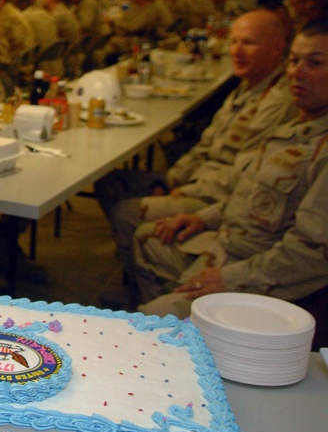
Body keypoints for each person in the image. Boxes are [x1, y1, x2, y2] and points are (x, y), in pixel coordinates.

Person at [95, 10, 295, 308]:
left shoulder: (278, 102)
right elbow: (206, 146)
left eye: (248, 43)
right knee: (111, 182)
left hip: (212, 196)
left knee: (126, 212)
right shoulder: (247, 88)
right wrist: (171, 180)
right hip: (197, 183)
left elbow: (240, 176)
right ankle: (135, 278)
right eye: (234, 42)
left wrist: (183, 192)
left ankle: (144, 295)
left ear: (277, 48)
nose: (236, 51)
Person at [134, 19, 328, 319]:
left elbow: (311, 254)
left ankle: (175, 328)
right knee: (150, 238)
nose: (296, 72)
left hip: (259, 274)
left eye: (315, 63)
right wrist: (201, 217)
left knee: (151, 322)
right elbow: (252, 192)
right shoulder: (298, 128)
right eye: (294, 61)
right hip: (230, 243)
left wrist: (230, 278)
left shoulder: (318, 145)